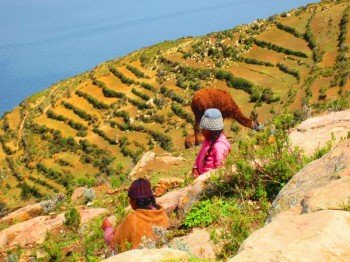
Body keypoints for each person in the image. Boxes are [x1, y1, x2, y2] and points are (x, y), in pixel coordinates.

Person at [101, 178, 169, 252]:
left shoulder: (132, 220)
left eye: (130, 199)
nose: (130, 202)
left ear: (134, 201)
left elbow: (114, 242)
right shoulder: (162, 213)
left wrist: (107, 228)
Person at [192, 108, 231, 178]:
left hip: (210, 182)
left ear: (212, 131)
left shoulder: (220, 147)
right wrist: (195, 167)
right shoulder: (207, 141)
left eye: (204, 130)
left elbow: (220, 171)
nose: (202, 132)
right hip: (201, 178)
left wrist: (203, 179)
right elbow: (199, 156)